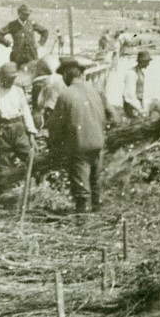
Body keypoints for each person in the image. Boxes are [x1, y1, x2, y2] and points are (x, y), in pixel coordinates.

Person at [47, 57, 109, 213]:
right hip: (98, 143)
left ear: (68, 75)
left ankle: (84, 223)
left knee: (81, 188)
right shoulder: (95, 91)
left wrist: (54, 146)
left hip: (79, 146)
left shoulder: (66, 95)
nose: (63, 79)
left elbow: (55, 127)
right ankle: (98, 214)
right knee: (95, 182)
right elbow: (106, 116)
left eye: (63, 76)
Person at [0, 62, 37, 174]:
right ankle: (7, 188)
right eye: (9, 78)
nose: (11, 81)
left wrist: (31, 134)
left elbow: (26, 112)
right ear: (2, 77)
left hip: (19, 130)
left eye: (13, 78)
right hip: (2, 132)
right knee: (4, 162)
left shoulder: (18, 91)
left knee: (32, 158)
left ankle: (35, 185)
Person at [0, 4, 49, 69]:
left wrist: (40, 43)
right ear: (19, 13)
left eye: (28, 14)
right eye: (25, 14)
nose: (27, 16)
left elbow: (45, 31)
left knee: (33, 72)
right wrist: (9, 44)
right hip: (18, 57)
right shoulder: (12, 25)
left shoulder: (31, 23)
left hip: (32, 55)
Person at [122, 51, 152, 118]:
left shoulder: (140, 73)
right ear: (142, 61)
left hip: (137, 104)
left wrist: (143, 106)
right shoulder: (131, 74)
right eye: (147, 62)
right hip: (131, 106)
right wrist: (139, 108)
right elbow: (129, 94)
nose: (148, 64)